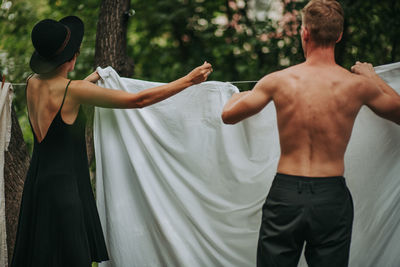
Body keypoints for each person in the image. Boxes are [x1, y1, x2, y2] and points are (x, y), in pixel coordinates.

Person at [11, 16, 212, 267]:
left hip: (38, 186)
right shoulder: (72, 91)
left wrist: (92, 78)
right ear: (71, 58)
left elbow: (61, 93)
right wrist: (188, 80)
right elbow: (137, 101)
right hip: (65, 191)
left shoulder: (32, 83)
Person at [221, 0, 400, 266]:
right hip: (331, 196)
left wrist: (247, 94)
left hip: (286, 195)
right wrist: (372, 76)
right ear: (339, 35)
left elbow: (228, 116)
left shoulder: (278, 81)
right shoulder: (357, 86)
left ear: (304, 32)